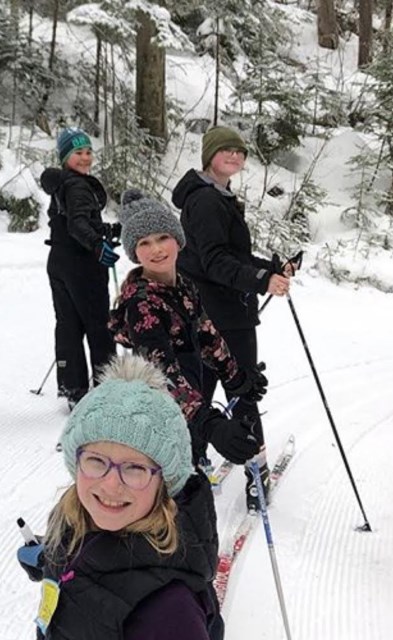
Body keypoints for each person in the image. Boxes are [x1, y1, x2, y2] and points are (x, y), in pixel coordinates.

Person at [17, 355, 223, 639]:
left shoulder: (170, 614)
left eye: (135, 468)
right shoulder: (81, 522)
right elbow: (103, 563)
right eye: (96, 461)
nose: (111, 484)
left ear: (165, 482)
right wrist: (53, 556)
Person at [171, 126, 292, 500]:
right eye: (226, 150)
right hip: (223, 313)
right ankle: (255, 477)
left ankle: (191, 466)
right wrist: (260, 279)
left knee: (201, 390)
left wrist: (269, 267)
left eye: (240, 152)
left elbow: (226, 255)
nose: (235, 157)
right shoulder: (207, 200)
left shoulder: (214, 195)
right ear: (209, 155)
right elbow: (214, 262)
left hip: (206, 310)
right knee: (242, 390)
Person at [108, 189, 266, 474]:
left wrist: (236, 376)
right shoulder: (142, 305)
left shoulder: (182, 285)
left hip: (186, 413)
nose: (156, 249)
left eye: (162, 237)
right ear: (134, 252)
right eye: (144, 242)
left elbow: (206, 333)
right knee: (179, 502)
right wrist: (210, 423)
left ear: (178, 240)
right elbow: (163, 372)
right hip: (159, 420)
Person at [39, 127, 119, 409]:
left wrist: (106, 230)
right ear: (65, 157)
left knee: (68, 324)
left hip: (60, 260)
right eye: (78, 153)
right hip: (82, 263)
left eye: (88, 152)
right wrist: (98, 245)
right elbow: (78, 224)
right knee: (99, 325)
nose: (85, 158)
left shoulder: (63, 183)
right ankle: (108, 387)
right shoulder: (77, 185)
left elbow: (72, 219)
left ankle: (73, 388)